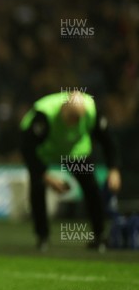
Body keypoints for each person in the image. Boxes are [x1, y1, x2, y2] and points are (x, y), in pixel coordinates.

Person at [20, 91, 121, 252]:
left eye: (78, 119)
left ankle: (99, 236)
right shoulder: (44, 115)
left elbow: (107, 140)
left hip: (74, 152)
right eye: (71, 119)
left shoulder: (91, 111)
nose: (74, 124)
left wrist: (113, 169)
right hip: (46, 152)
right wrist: (46, 176)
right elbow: (27, 150)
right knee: (38, 186)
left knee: (91, 187)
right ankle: (42, 236)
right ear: (63, 110)